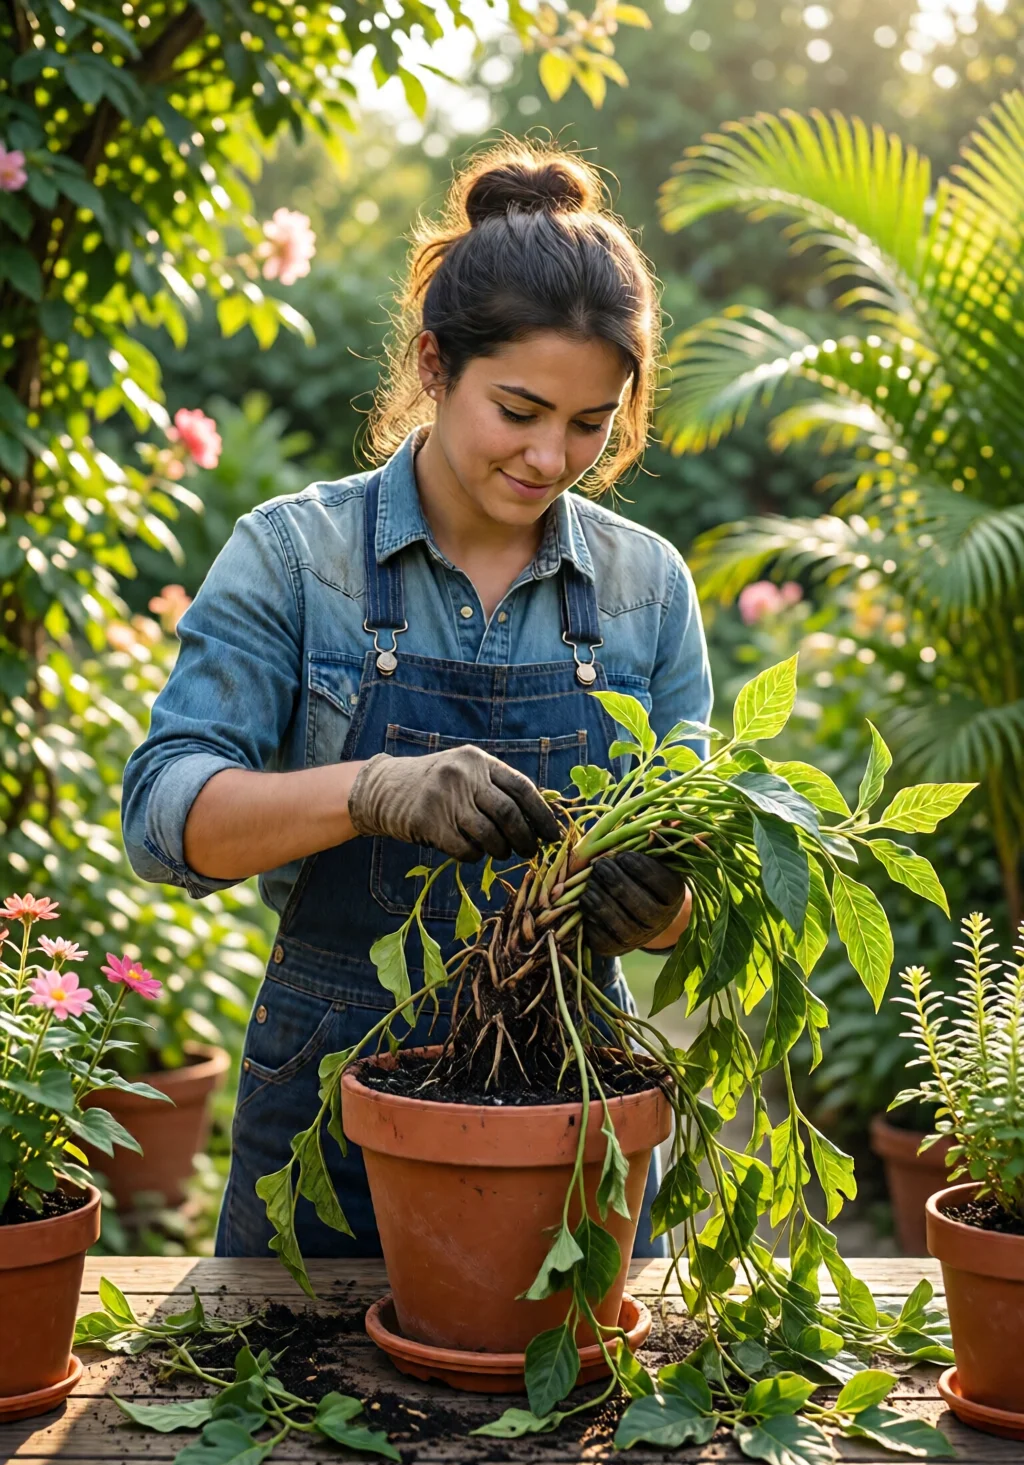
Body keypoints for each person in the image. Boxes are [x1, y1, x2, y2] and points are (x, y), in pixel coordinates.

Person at [122, 139, 713, 1262]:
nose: (552, 456)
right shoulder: (296, 558)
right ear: (437, 365)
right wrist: (374, 790)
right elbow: (165, 817)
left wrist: (663, 907)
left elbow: (701, 883)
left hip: (571, 1092)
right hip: (333, 1097)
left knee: (575, 1404)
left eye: (590, 423)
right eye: (520, 409)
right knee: (290, 1393)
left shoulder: (645, 589)